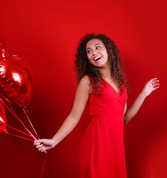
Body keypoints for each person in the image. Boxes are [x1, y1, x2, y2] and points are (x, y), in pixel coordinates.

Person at [34, 34, 160, 177]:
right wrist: (54, 140)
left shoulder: (122, 86)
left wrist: (143, 94)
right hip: (97, 144)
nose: (93, 53)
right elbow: (73, 117)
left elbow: (124, 118)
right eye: (89, 51)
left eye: (97, 47)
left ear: (108, 50)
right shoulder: (88, 81)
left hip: (116, 148)